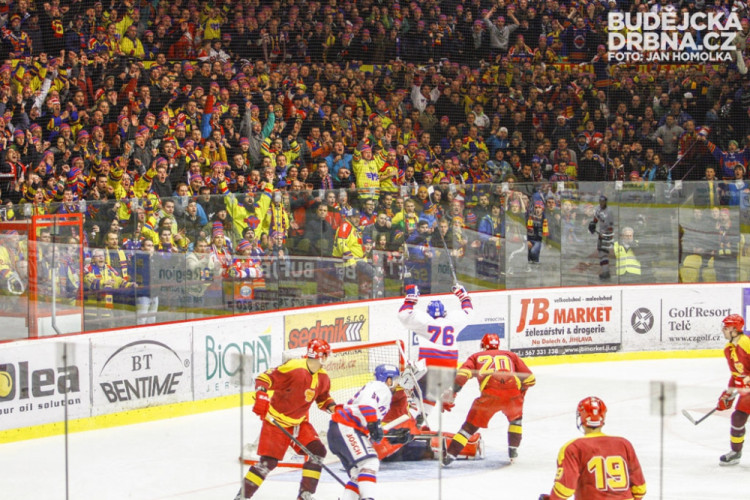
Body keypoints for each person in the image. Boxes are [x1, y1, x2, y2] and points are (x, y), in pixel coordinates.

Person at [237, 339, 336, 500]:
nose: (328, 358)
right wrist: (261, 394)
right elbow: (264, 378)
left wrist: (334, 409)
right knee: (268, 463)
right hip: (276, 422)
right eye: (326, 355)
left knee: (318, 451)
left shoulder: (323, 377)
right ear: (321, 356)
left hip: (299, 423)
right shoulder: (294, 367)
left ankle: (305, 494)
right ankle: (242, 496)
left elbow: (323, 398)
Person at [442, 333, 535, 465]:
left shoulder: (475, 356)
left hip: (489, 397)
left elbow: (462, 376)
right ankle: (513, 450)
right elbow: (530, 379)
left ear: (483, 345)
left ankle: (450, 455)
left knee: (468, 428)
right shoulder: (510, 355)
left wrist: (451, 395)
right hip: (513, 395)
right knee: (516, 420)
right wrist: (520, 394)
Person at [539, 397, 647, 500]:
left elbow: (565, 488)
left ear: (581, 417)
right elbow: (640, 488)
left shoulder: (573, 447)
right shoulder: (624, 444)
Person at [398, 283, 473, 421]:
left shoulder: (424, 321)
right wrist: (462, 295)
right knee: (430, 397)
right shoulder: (453, 322)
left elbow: (403, 314)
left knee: (408, 390)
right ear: (444, 314)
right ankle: (420, 420)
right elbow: (468, 310)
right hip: (448, 373)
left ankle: (407, 421)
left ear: (428, 313)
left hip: (428, 369)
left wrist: (411, 298)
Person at [328, 364, 398, 500]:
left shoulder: (377, 390)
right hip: (346, 427)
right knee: (369, 463)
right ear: (388, 380)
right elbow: (366, 405)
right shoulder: (381, 387)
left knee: (358, 474)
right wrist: (373, 424)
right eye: (395, 379)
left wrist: (394, 437)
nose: (396, 384)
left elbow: (371, 429)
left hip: (342, 430)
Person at [716, 314, 750, 466]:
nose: (723, 329)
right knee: (737, 418)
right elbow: (736, 375)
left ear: (735, 330)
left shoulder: (746, 344)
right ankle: (736, 452)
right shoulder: (729, 349)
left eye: (727, 327)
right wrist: (728, 394)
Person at [588, 195, 615, 280]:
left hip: (606, 234)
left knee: (603, 253)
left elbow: (610, 227)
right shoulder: (598, 209)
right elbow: (596, 218)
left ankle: (606, 272)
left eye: (603, 201)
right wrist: (593, 224)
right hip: (601, 234)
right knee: (601, 253)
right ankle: (605, 271)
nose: (601, 203)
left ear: (606, 202)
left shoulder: (609, 212)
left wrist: (606, 235)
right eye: (600, 201)